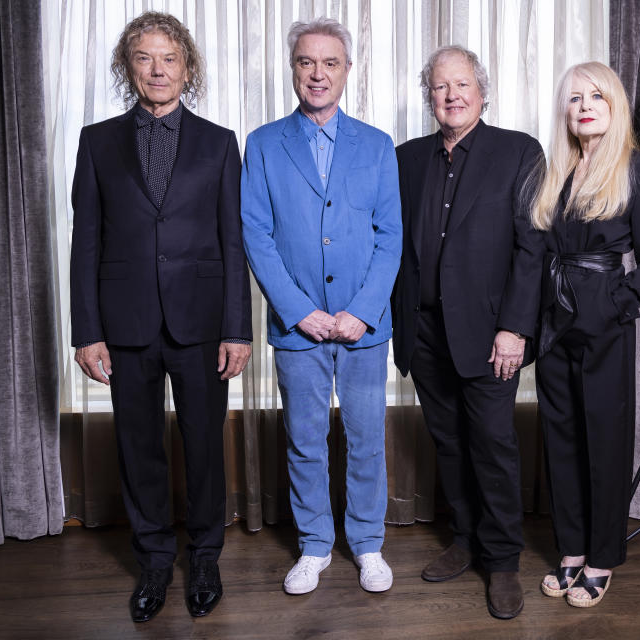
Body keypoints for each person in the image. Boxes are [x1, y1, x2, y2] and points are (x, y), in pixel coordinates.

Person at [70, 12, 252, 622]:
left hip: (202, 323)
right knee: (137, 445)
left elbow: (234, 241)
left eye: (168, 58)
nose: (157, 69)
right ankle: (152, 561)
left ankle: (204, 556)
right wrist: (87, 330)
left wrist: (237, 327)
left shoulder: (221, 142)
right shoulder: (96, 141)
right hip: (125, 324)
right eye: (144, 58)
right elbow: (85, 241)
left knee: (204, 445)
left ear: (187, 67)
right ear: (129, 67)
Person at [240, 17, 402, 596]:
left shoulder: (378, 145)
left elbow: (390, 237)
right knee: (304, 440)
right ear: (293, 69)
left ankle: (367, 544)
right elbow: (257, 233)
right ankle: (314, 546)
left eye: (330, 63)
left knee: (366, 438)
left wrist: (361, 309)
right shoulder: (262, 144)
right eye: (307, 62)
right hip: (297, 328)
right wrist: (297, 309)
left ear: (347, 71)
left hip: (365, 325)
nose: (318, 73)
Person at [392, 45, 545, 619]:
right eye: (439, 86)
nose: (451, 95)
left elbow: (533, 247)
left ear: (482, 90)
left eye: (461, 84)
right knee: (449, 442)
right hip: (424, 328)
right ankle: (466, 538)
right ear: (428, 96)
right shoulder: (407, 158)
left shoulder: (519, 152)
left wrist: (514, 328)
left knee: (493, 444)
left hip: (488, 333)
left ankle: (502, 560)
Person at [532, 61, 640, 608]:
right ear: (564, 113)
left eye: (596, 96)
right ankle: (571, 549)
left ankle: (601, 557)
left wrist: (619, 300)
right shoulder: (558, 171)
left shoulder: (638, 170)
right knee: (561, 439)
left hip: (603, 321)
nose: (584, 106)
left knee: (605, 444)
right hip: (554, 321)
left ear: (613, 105)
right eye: (573, 99)